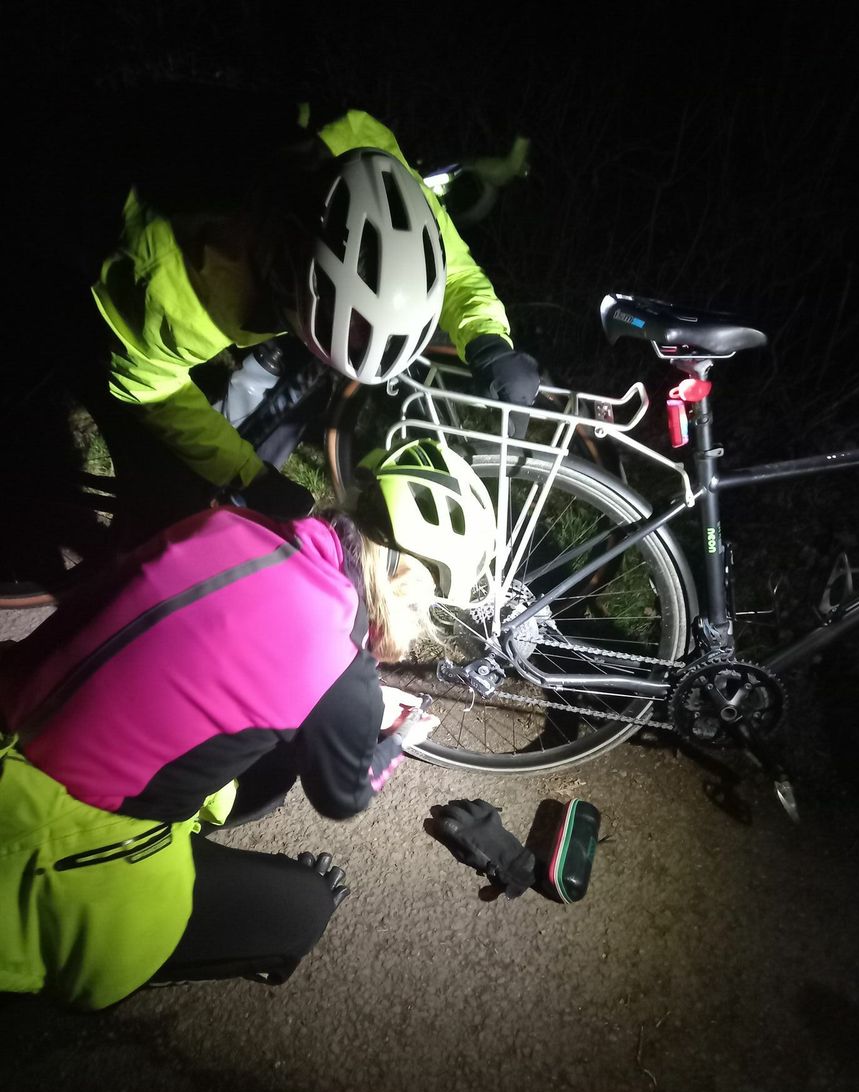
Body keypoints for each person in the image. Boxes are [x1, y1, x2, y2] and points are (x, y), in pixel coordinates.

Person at [0, 437, 494, 1012]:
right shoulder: (339, 665)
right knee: (306, 907)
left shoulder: (228, 525)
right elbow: (344, 797)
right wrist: (397, 739)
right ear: (408, 583)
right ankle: (128, 966)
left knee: (274, 760)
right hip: (57, 843)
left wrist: (347, 700)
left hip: (15, 711)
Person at [87, 97, 541, 540]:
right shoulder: (178, 291)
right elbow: (152, 391)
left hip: (264, 202)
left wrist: (487, 338)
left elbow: (446, 262)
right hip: (105, 210)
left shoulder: (367, 162)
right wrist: (246, 475)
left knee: (303, 386)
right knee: (165, 497)